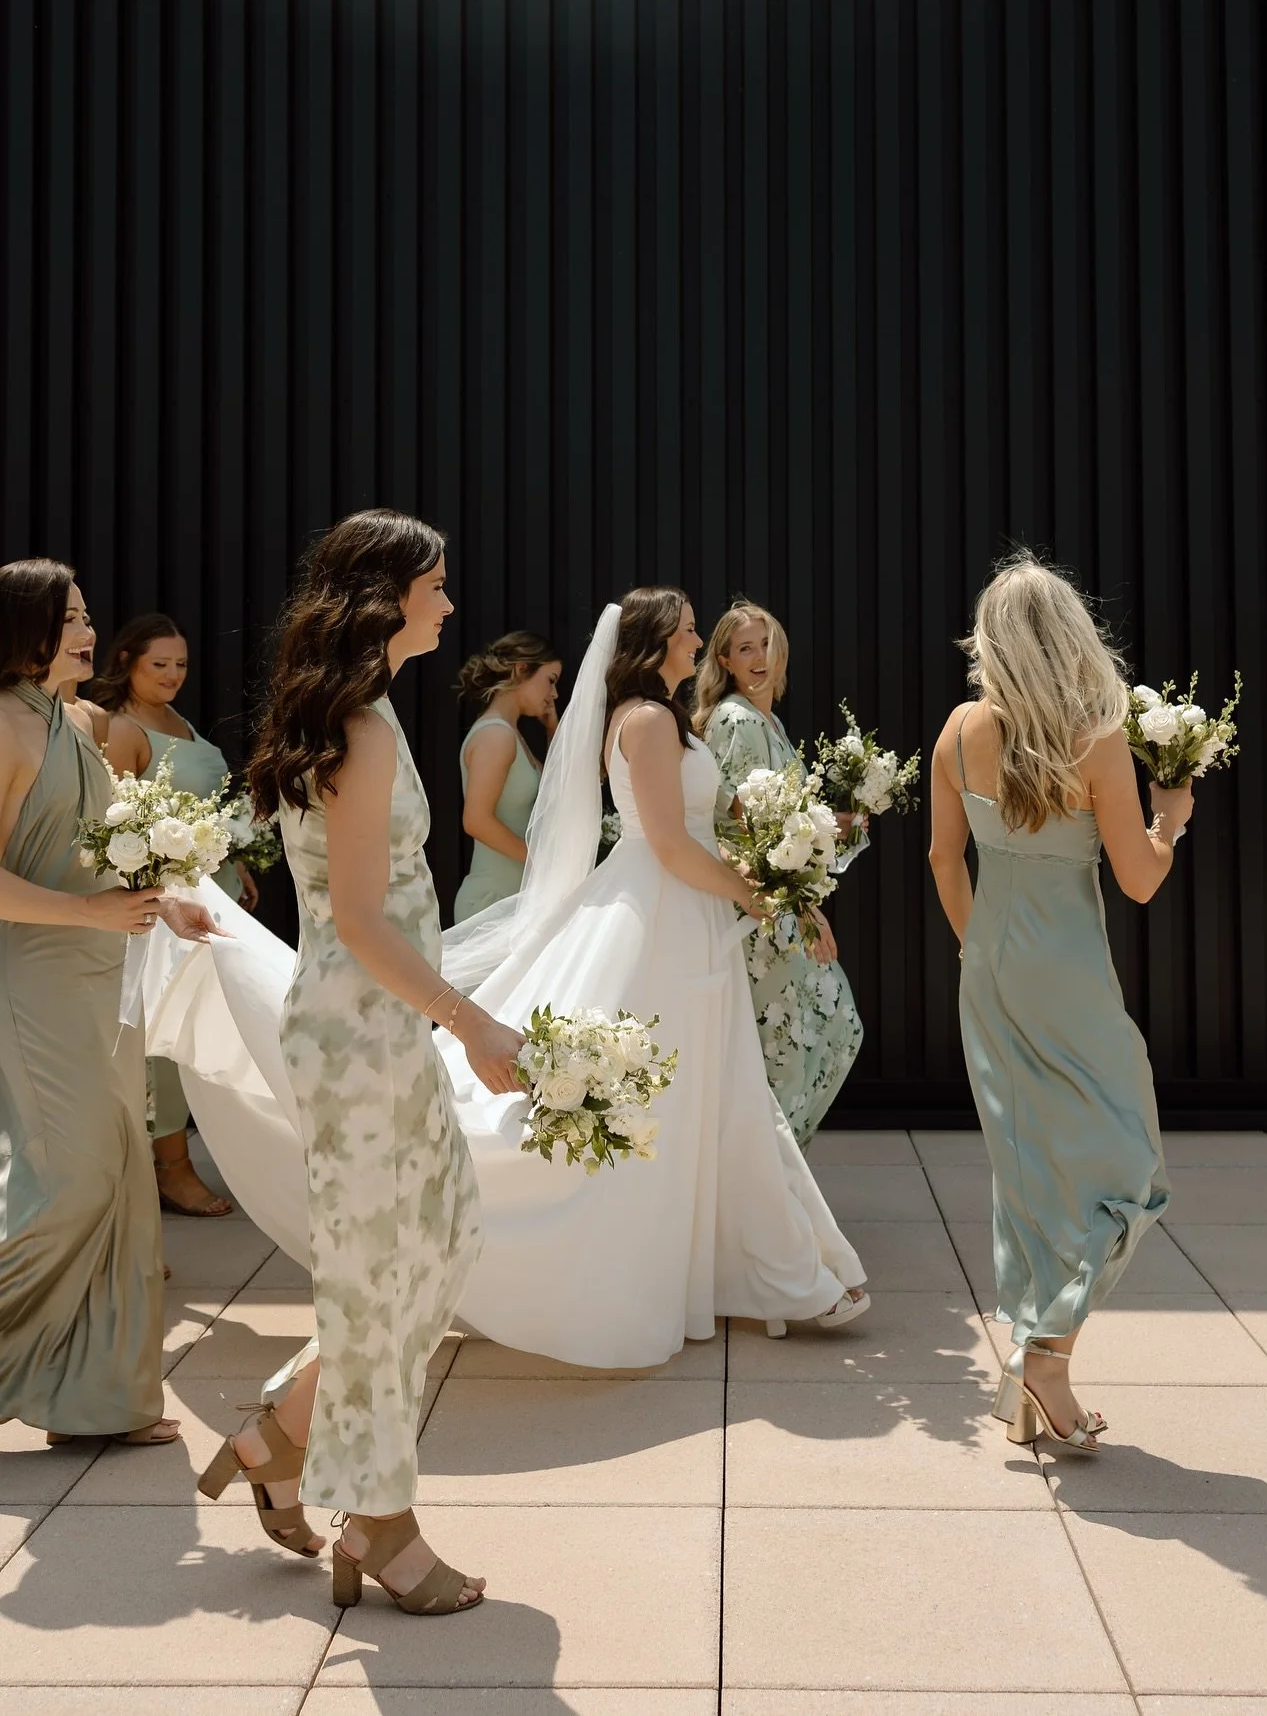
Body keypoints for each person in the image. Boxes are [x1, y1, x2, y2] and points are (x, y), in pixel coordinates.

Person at [146, 585, 868, 1371]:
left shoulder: (649, 715)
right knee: (695, 1089)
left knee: (708, 1091)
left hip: (679, 912)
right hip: (666, 912)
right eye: (692, 631)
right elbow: (666, 841)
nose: (702, 642)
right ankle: (755, 1267)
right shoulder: (653, 720)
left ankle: (735, 1263)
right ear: (658, 639)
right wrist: (760, 895)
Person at [194, 510, 524, 1613]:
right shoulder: (362, 729)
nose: (449, 602)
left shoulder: (369, 712)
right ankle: (379, 1521)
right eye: (437, 584)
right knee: (378, 1277)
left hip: (384, 1029)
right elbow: (358, 920)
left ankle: (282, 1431)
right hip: (357, 1030)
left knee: (441, 1236)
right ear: (384, 598)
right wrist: (471, 1019)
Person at [928, 551, 1189, 1453]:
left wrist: (977, 946)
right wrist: (1171, 819)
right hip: (1070, 973)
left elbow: (940, 859)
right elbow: (1140, 881)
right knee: (1125, 1164)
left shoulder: (960, 730)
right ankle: (1047, 1359)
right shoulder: (1097, 738)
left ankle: (1034, 1368)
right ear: (1069, 633)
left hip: (991, 969)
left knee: (1028, 1169)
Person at [0, 561, 221, 1448]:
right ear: (26, 627)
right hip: (39, 978)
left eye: (89, 615)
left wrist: (160, 902)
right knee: (70, 1185)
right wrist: (88, 911)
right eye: (70, 616)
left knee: (123, 1179)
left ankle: (96, 1401)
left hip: (104, 975)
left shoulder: (79, 722)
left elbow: (96, 852)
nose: (88, 631)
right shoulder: (7, 729)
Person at [96, 613, 256, 1218]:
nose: (171, 674)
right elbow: (117, 825)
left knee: (201, 1023)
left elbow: (205, 811)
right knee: (160, 1029)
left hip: (208, 892)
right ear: (128, 662)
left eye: (180, 664)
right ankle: (170, 1169)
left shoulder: (180, 723)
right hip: (160, 900)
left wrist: (234, 861)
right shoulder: (122, 727)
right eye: (158, 663)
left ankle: (194, 1150)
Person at [694, 600, 863, 1145]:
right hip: (761, 910)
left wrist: (838, 822)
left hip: (777, 905)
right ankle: (769, 1176)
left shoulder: (769, 719)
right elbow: (737, 829)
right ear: (724, 658)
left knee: (816, 1038)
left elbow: (773, 818)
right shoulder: (737, 718)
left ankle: (776, 1176)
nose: (760, 656)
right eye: (746, 647)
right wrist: (805, 908)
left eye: (766, 644)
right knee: (811, 1037)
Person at [454, 632, 561, 923]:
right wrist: (541, 861)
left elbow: (554, 787)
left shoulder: (512, 735)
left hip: (515, 900)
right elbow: (476, 819)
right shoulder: (496, 735)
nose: (554, 694)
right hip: (492, 901)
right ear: (521, 669)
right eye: (550, 681)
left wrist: (553, 730)